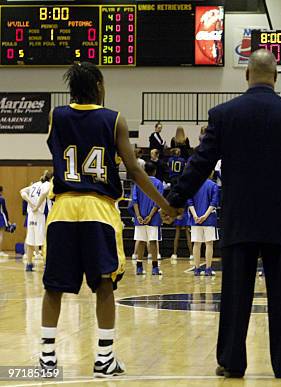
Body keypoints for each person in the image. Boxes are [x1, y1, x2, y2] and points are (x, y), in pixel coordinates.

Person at [165, 49, 281, 379]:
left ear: (247, 75)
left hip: (240, 218)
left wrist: (175, 199)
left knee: (235, 295)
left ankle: (232, 362)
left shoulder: (224, 114)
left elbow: (200, 164)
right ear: (276, 78)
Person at [40, 62, 174, 377]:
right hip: (98, 209)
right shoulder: (114, 120)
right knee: (104, 284)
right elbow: (136, 170)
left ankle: (47, 360)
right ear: (99, 85)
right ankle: (104, 359)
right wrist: (166, 205)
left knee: (53, 286)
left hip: (62, 209)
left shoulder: (55, 116)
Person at [132, 161, 165, 276]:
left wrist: (138, 216)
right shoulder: (158, 183)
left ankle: (139, 267)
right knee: (153, 242)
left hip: (140, 217)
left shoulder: (138, 182)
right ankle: (155, 268)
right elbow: (158, 202)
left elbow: (134, 201)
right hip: (154, 217)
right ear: (155, 171)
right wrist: (150, 216)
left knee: (140, 241)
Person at [20, 171, 52, 271]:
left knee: (31, 241)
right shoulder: (48, 184)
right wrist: (37, 206)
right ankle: (47, 264)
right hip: (39, 215)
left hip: (31, 215)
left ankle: (29, 264)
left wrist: (30, 203)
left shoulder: (34, 185)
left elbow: (22, 192)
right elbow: (44, 193)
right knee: (44, 241)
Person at [188, 174, 220, 276]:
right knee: (209, 244)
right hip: (209, 219)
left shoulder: (193, 184)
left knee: (196, 244)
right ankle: (208, 269)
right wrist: (205, 216)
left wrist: (195, 216)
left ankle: (197, 269)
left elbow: (189, 201)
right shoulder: (213, 185)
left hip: (195, 220)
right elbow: (214, 203)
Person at [0, 186, 11, 257]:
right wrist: (8, 220)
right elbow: (5, 210)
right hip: (0, 217)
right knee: (0, 235)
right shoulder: (1, 199)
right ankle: (0, 251)